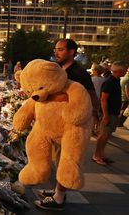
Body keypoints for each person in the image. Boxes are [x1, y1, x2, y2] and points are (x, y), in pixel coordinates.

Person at [35, 39, 99, 211]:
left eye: (61, 49)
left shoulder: (78, 73)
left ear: (72, 52)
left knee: (67, 160)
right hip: (58, 126)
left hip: (71, 127)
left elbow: (90, 97)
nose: (57, 53)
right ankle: (58, 190)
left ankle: (59, 198)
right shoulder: (59, 71)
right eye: (56, 49)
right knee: (58, 159)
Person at [92, 61, 128, 165]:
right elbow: (103, 99)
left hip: (113, 113)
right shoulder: (109, 82)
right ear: (119, 71)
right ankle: (96, 155)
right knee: (103, 135)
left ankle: (101, 154)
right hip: (108, 113)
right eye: (125, 70)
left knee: (107, 135)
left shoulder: (116, 81)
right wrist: (105, 115)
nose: (126, 71)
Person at [91, 63, 106, 135]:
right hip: (101, 99)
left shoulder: (92, 79)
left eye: (93, 70)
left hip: (93, 98)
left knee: (93, 115)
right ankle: (97, 129)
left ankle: (92, 129)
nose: (92, 71)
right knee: (98, 115)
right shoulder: (104, 80)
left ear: (96, 71)